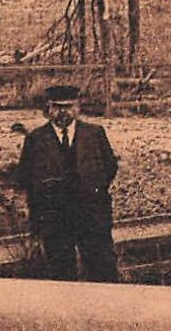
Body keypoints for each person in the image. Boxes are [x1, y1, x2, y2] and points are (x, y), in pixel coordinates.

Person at [17, 83, 120, 282]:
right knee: (61, 273)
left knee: (102, 269)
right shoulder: (36, 139)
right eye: (58, 107)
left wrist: (93, 192)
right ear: (49, 108)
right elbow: (25, 177)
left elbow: (109, 168)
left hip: (91, 216)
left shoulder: (95, 134)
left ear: (78, 107)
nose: (63, 112)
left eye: (68, 106)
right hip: (55, 219)